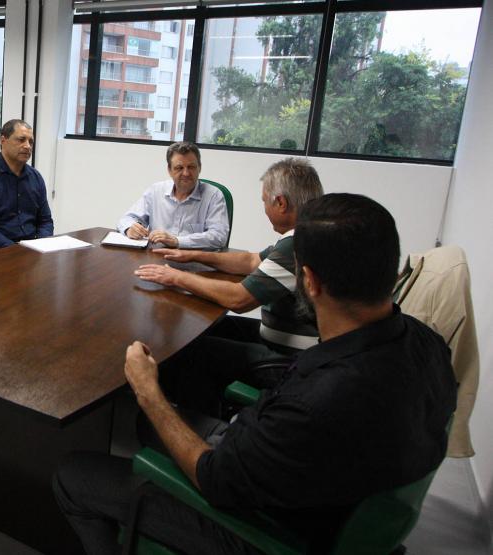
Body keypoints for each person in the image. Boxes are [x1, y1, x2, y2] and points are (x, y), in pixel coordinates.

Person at [54, 193, 457, 554]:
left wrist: (148, 391)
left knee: (74, 475)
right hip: (316, 489)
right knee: (147, 428)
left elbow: (213, 479)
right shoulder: (427, 344)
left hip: (263, 530)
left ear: (310, 282)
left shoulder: (318, 402)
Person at [134, 158, 323, 407]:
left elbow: (239, 299)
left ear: (281, 203)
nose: (264, 209)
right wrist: (192, 254)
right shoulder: (310, 231)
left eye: (265, 201)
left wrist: (176, 276)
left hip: (294, 360)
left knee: (191, 350)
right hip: (287, 340)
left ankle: (194, 421)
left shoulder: (298, 244)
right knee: (208, 326)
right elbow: (250, 260)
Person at [117, 142, 229, 249]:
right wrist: (129, 228)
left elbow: (219, 236)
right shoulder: (155, 191)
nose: (186, 173)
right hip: (156, 257)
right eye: (179, 168)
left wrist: (177, 241)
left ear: (199, 168)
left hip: (195, 260)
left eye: (191, 167)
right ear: (169, 170)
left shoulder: (214, 196)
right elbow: (127, 218)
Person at [0, 119, 54, 250]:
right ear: (3, 140)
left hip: (32, 249)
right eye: (21, 140)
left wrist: (41, 245)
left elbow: (45, 221)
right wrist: (14, 250)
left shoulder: (36, 177)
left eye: (31, 142)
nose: (27, 146)